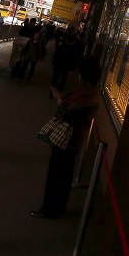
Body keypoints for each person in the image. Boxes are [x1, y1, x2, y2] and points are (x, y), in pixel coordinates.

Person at [31, 56, 101, 219]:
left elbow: (69, 113)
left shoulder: (85, 91)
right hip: (75, 140)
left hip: (67, 138)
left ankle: (48, 208)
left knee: (56, 174)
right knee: (65, 174)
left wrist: (60, 100)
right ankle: (58, 207)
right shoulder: (93, 90)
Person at [49, 27, 83, 97]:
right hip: (67, 63)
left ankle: (53, 90)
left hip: (62, 62)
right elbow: (77, 56)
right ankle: (57, 90)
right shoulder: (77, 43)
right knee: (62, 78)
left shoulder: (64, 40)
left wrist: (54, 62)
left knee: (57, 77)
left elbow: (57, 52)